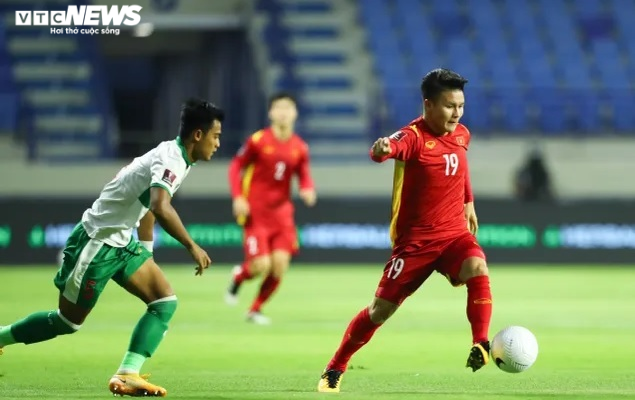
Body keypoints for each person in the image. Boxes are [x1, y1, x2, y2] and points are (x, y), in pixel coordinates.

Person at [0, 98, 224, 397]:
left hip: (121, 242)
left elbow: (148, 206)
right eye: (215, 136)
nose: (218, 143)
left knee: (164, 302)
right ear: (198, 135)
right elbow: (160, 206)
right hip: (96, 243)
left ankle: (128, 373)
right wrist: (191, 246)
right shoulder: (171, 159)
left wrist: (146, 252)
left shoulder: (178, 157)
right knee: (67, 322)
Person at [317, 69, 492, 393]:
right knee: (379, 312)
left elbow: (461, 165)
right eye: (450, 106)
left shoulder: (462, 134)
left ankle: (480, 343)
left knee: (478, 267)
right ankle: (335, 366)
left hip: (454, 234)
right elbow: (386, 149)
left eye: (461, 106)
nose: (457, 113)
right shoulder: (413, 137)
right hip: (415, 244)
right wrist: (381, 149)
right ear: (428, 104)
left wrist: (468, 201)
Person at [225, 92, 316, 325]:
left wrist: (307, 189)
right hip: (256, 213)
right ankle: (239, 276)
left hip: (282, 215)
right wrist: (238, 197)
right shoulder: (258, 141)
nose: (283, 112)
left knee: (279, 266)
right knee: (260, 265)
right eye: (278, 108)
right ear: (270, 113)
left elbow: (303, 174)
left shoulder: (300, 147)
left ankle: (254, 310)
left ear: (295, 113)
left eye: (288, 108)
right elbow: (236, 166)